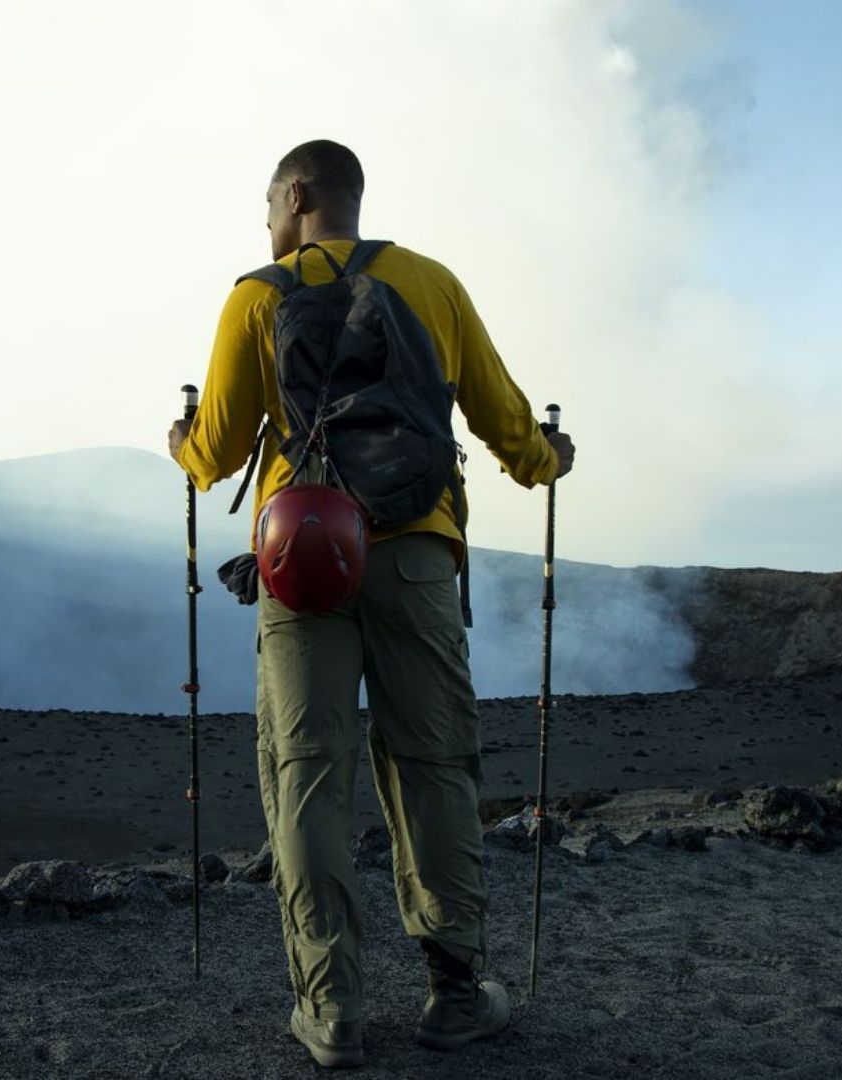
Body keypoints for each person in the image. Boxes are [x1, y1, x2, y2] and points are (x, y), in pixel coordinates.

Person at [168, 139, 574, 1069]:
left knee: (308, 770)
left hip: (303, 558)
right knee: (433, 764)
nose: (266, 223)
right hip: (416, 558)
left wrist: (182, 441)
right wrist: (549, 460)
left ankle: (333, 1009)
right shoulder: (431, 283)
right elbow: (504, 420)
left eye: (270, 204)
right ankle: (456, 992)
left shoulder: (257, 295)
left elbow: (219, 452)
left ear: (300, 196)